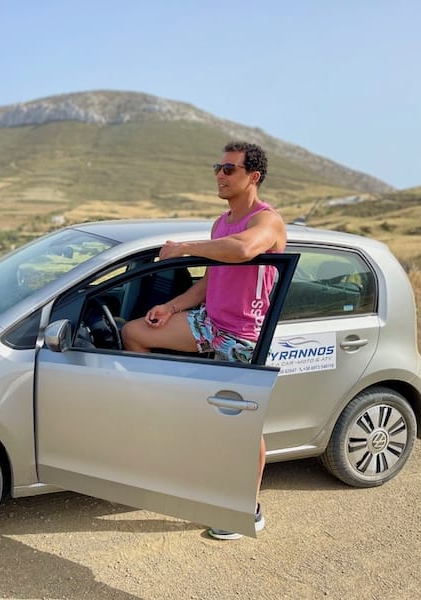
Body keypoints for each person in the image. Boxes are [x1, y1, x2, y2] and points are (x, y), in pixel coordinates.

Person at [121, 141, 287, 539]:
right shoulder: (220, 223)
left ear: (254, 176)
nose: (220, 175)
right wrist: (172, 307)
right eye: (218, 167)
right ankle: (159, 414)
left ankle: (247, 509)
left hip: (243, 337)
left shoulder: (266, 222)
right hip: (209, 323)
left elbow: (244, 250)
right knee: (133, 332)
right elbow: (208, 283)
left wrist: (183, 249)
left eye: (229, 169)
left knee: (242, 426)